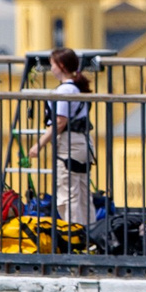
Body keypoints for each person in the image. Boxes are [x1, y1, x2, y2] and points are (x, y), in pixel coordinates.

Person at [44, 46, 95, 227]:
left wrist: (39, 144)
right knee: (82, 194)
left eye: (52, 64)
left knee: (68, 195)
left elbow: (59, 122)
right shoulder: (77, 87)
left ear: (61, 66)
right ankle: (90, 236)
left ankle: (74, 238)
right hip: (83, 142)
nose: (51, 68)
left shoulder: (64, 91)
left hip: (69, 145)